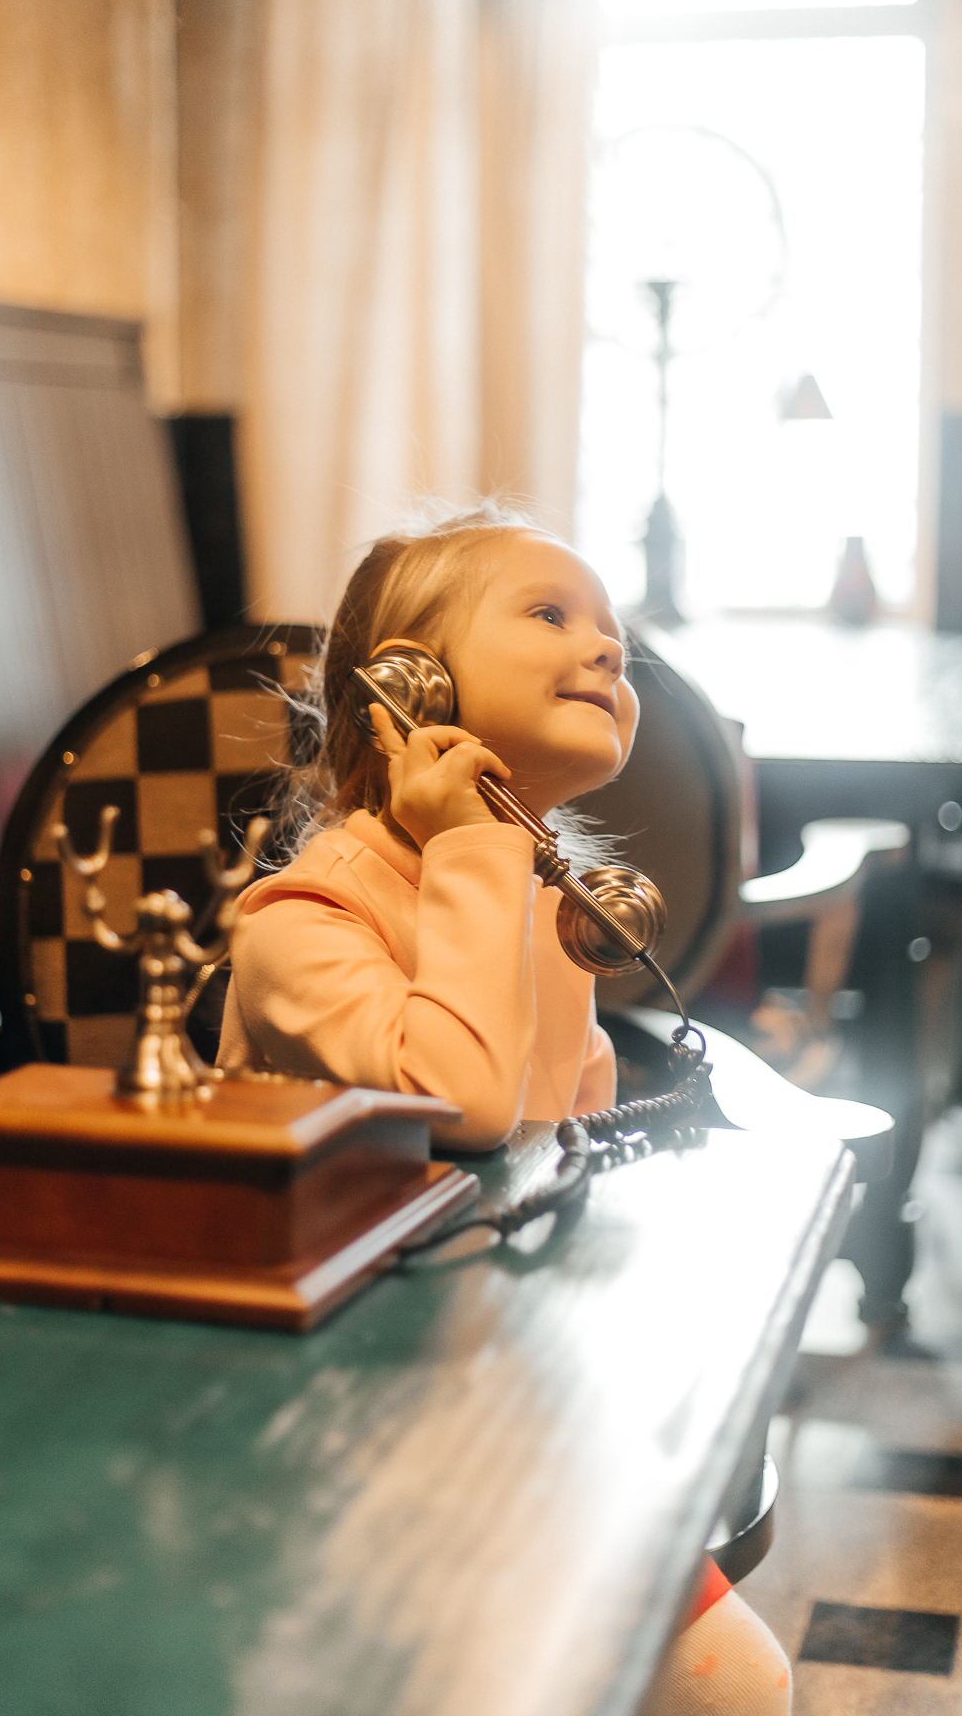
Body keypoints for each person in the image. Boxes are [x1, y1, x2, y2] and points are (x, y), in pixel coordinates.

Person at [219, 505, 792, 1715]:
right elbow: (465, 1104)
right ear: (409, 689)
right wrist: (475, 854)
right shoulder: (303, 927)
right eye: (548, 615)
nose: (605, 648)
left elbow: (561, 1135)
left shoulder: (531, 901)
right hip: (316, 1413)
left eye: (610, 634)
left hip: (484, 1376)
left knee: (736, 1681)